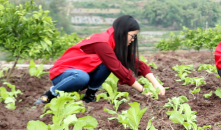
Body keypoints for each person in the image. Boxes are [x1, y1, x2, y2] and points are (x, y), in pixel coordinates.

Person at [35, 15, 164, 105]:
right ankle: (48, 95)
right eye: (132, 36)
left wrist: (156, 83)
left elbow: (136, 63)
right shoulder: (103, 42)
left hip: (82, 74)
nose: (133, 40)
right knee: (82, 77)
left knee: (101, 66)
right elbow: (118, 69)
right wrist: (143, 91)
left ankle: (89, 96)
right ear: (123, 32)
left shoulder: (115, 43)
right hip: (63, 75)